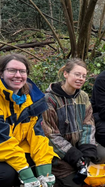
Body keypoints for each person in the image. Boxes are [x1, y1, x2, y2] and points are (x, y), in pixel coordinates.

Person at [42, 58, 105, 186]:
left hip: (78, 144)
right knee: (73, 182)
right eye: (77, 74)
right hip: (58, 150)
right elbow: (50, 135)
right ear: (66, 74)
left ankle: (81, 164)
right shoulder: (49, 99)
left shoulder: (83, 96)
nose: (81, 78)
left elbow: (88, 124)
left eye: (84, 76)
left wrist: (86, 152)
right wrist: (74, 155)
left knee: (103, 155)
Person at [0, 54, 57, 187]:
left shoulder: (31, 99)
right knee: (6, 174)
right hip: (4, 148)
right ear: (1, 73)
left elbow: (37, 135)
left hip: (14, 148)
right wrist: (25, 172)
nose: (18, 75)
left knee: (41, 164)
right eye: (12, 70)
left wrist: (45, 172)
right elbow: (2, 140)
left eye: (22, 71)